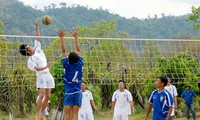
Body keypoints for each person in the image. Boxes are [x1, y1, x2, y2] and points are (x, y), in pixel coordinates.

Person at [19, 21, 55, 120]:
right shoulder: (30, 61)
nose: (30, 45)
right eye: (27, 46)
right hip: (41, 75)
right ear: (27, 50)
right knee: (42, 94)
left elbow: (37, 36)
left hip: (48, 74)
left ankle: (42, 113)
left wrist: (37, 26)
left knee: (48, 96)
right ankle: (38, 114)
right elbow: (38, 68)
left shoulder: (37, 47)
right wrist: (46, 66)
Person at [58, 29, 83, 120]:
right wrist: (76, 37)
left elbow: (63, 51)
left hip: (69, 92)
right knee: (75, 115)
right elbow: (78, 49)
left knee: (67, 116)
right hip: (77, 92)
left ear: (68, 60)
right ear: (77, 59)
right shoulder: (79, 64)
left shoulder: (66, 65)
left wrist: (61, 38)